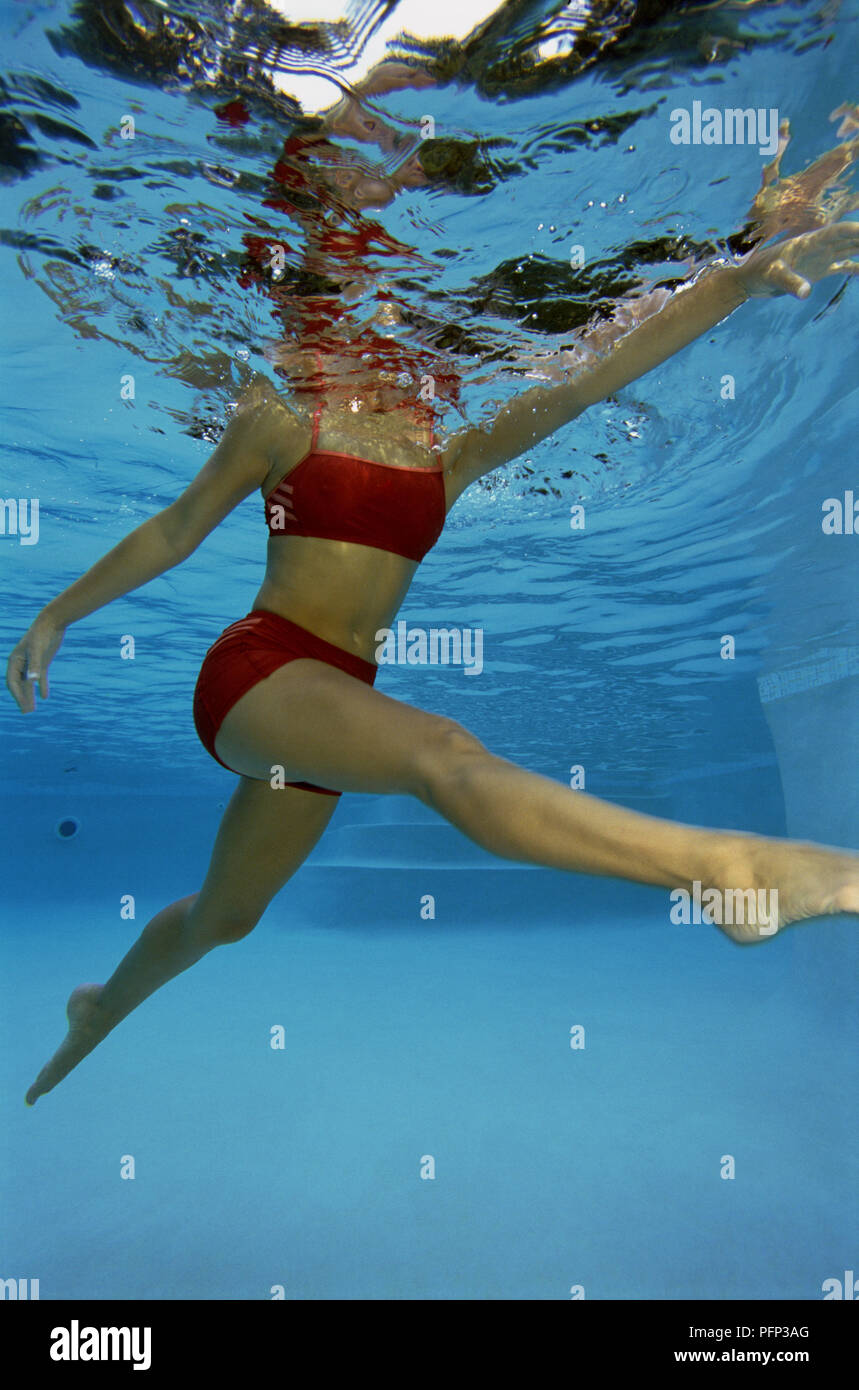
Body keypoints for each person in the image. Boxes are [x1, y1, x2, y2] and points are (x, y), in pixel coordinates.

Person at [8, 81, 859, 1107]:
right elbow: (177, 527)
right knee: (440, 753)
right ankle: (722, 869)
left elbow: (595, 372)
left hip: (332, 708)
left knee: (225, 919)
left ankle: (101, 1005)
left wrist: (737, 279)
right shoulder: (286, 410)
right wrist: (56, 614)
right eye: (366, 302)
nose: (390, 326)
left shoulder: (443, 448)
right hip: (260, 674)